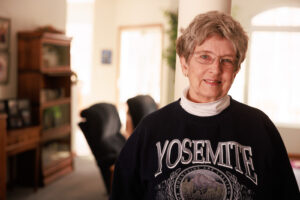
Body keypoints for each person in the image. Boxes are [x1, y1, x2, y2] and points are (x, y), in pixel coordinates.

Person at [110, 11, 300, 200]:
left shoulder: (259, 127)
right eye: (204, 57)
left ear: (236, 70)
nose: (215, 69)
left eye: (226, 60)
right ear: (184, 63)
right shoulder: (150, 130)